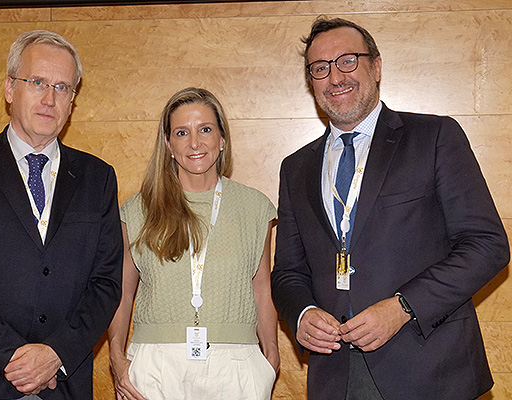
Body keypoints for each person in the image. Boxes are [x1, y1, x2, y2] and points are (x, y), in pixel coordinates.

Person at [271, 17, 510, 400]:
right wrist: (302, 314)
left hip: (431, 370)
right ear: (310, 80)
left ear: (376, 66)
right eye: (320, 68)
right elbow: (287, 271)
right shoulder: (295, 167)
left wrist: (403, 307)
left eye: (347, 60)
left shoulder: (433, 137)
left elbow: (487, 245)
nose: (335, 77)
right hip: (336, 378)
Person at [0, 30, 123, 399]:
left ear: (72, 101)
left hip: (62, 382)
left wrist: (55, 354)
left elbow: (106, 283)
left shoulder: (98, 177)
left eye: (63, 87)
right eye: (38, 82)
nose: (50, 98)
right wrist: (13, 357)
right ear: (9, 89)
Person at [107, 87, 279, 400]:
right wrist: (117, 359)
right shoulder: (138, 209)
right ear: (168, 144)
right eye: (182, 132)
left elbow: (262, 290)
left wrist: (271, 361)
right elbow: (122, 291)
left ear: (222, 138)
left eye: (206, 129)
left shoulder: (255, 207)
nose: (195, 143)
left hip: (237, 363)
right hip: (155, 365)